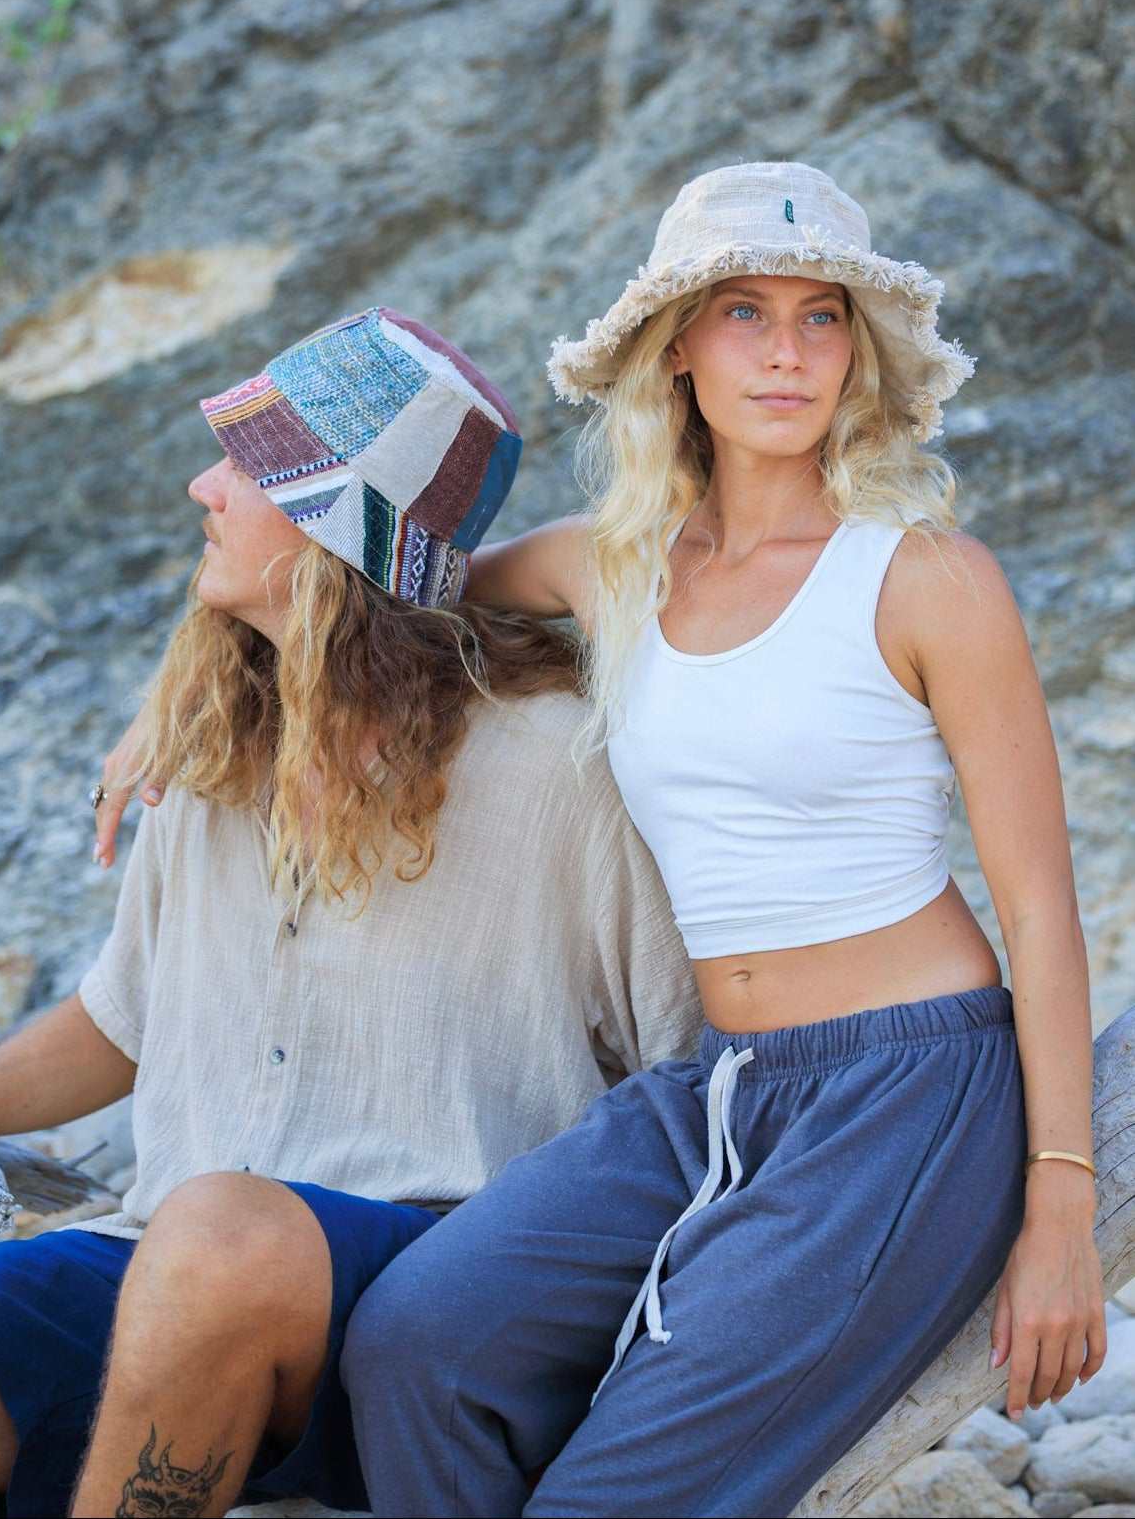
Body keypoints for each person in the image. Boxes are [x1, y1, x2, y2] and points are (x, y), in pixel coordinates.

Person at [338, 164, 1106, 1518]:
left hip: (910, 1097)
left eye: (822, 318)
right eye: (745, 310)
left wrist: (1060, 1209)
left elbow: (1042, 912)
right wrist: (169, 720)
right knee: (416, 1343)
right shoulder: (613, 564)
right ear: (676, 348)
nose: (788, 351)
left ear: (859, 354)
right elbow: (388, 596)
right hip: (719, 1088)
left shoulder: (927, 577)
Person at [0, 306, 702, 1519]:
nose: (202, 484)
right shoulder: (212, 758)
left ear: (327, 528)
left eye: (245, 467)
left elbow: (694, 1072)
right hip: (163, 1276)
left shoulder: (561, 774)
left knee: (220, 1239)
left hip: (429, 1307)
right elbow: (121, 1016)